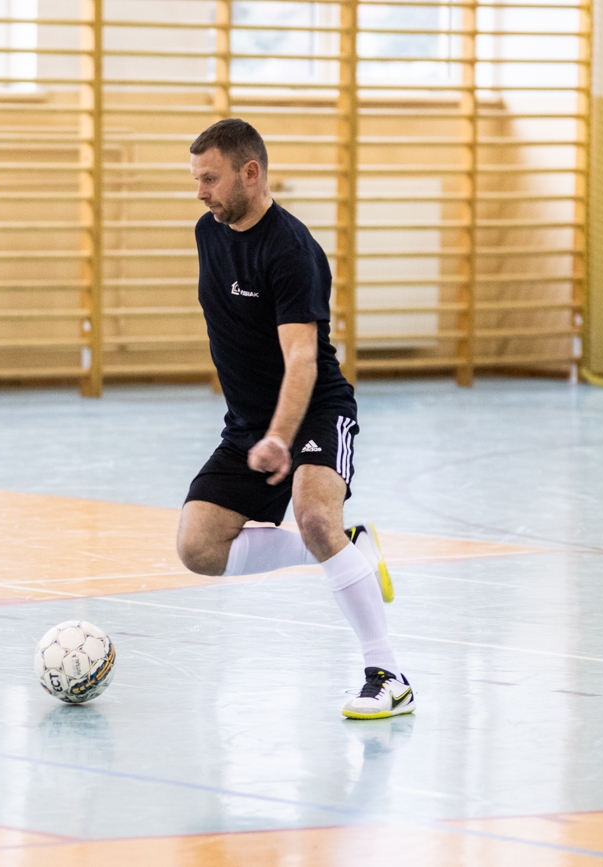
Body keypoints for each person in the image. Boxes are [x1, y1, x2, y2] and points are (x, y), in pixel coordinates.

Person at [177, 118, 415, 719]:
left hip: (314, 411)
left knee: (313, 516)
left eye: (210, 179)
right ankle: (348, 549)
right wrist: (258, 432)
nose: (200, 193)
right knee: (198, 547)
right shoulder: (209, 233)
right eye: (197, 179)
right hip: (247, 424)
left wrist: (281, 437)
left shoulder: (291, 250)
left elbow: (303, 358)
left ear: (250, 173)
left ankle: (388, 675)